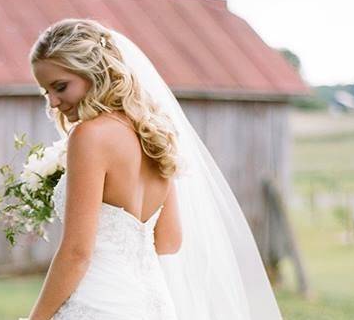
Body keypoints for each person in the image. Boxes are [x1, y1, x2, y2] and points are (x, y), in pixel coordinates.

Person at [26, 18, 283, 320]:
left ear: (94, 72)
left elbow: (76, 253)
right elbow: (169, 240)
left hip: (99, 303)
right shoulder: (152, 133)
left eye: (60, 87)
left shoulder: (90, 136)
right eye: (46, 92)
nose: (54, 102)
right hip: (154, 305)